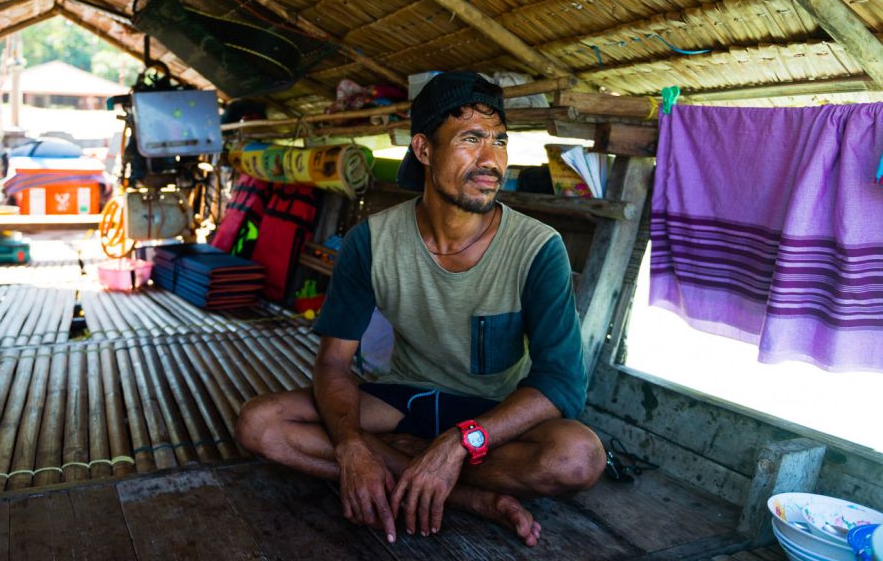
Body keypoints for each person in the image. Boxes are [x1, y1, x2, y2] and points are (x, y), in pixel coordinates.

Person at [236, 71, 606, 546]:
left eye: (500, 141)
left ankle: (413, 465)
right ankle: (467, 497)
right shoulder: (369, 241)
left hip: (492, 416)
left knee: (577, 457)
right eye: (471, 139)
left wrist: (457, 444)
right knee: (260, 424)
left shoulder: (538, 248)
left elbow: (561, 385)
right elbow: (333, 363)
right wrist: (350, 447)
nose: (490, 160)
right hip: (400, 403)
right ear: (424, 150)